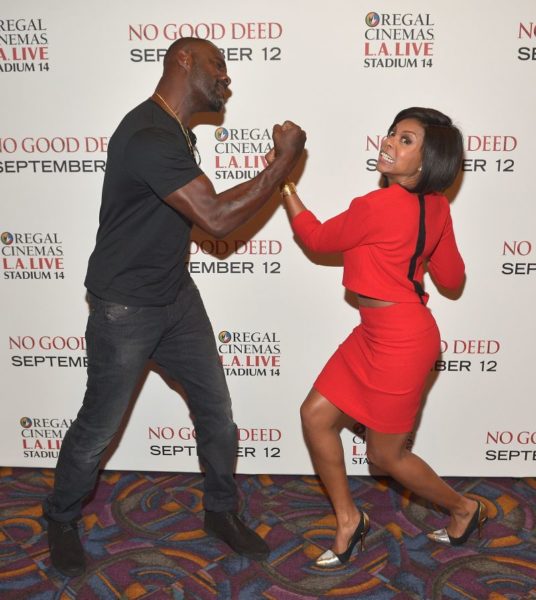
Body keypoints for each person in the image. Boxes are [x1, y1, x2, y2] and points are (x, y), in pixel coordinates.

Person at [43, 37, 306, 577]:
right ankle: (61, 518)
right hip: (126, 308)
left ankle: (219, 512)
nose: (226, 78)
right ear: (183, 60)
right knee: (98, 428)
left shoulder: (174, 132)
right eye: (218, 65)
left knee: (218, 415)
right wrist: (282, 162)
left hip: (175, 296)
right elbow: (214, 216)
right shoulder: (147, 135)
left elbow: (201, 208)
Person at [273, 108, 486, 568]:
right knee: (315, 415)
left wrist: (284, 182)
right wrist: (414, 251)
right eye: (393, 133)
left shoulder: (376, 206)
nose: (389, 142)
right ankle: (349, 518)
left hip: (401, 344)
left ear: (428, 162)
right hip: (377, 334)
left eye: (406, 140)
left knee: (384, 456)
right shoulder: (438, 207)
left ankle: (464, 508)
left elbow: (316, 237)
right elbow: (452, 277)